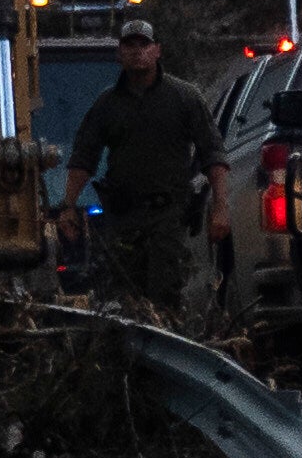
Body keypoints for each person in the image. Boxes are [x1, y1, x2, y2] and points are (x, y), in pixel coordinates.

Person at [69, 16, 217, 313]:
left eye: (144, 44)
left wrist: (222, 206)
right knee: (125, 300)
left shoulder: (184, 97)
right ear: (119, 53)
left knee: (166, 297)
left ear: (157, 50)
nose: (138, 51)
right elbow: (83, 159)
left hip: (169, 216)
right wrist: (68, 206)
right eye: (130, 45)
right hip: (123, 219)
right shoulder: (106, 105)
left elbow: (213, 153)